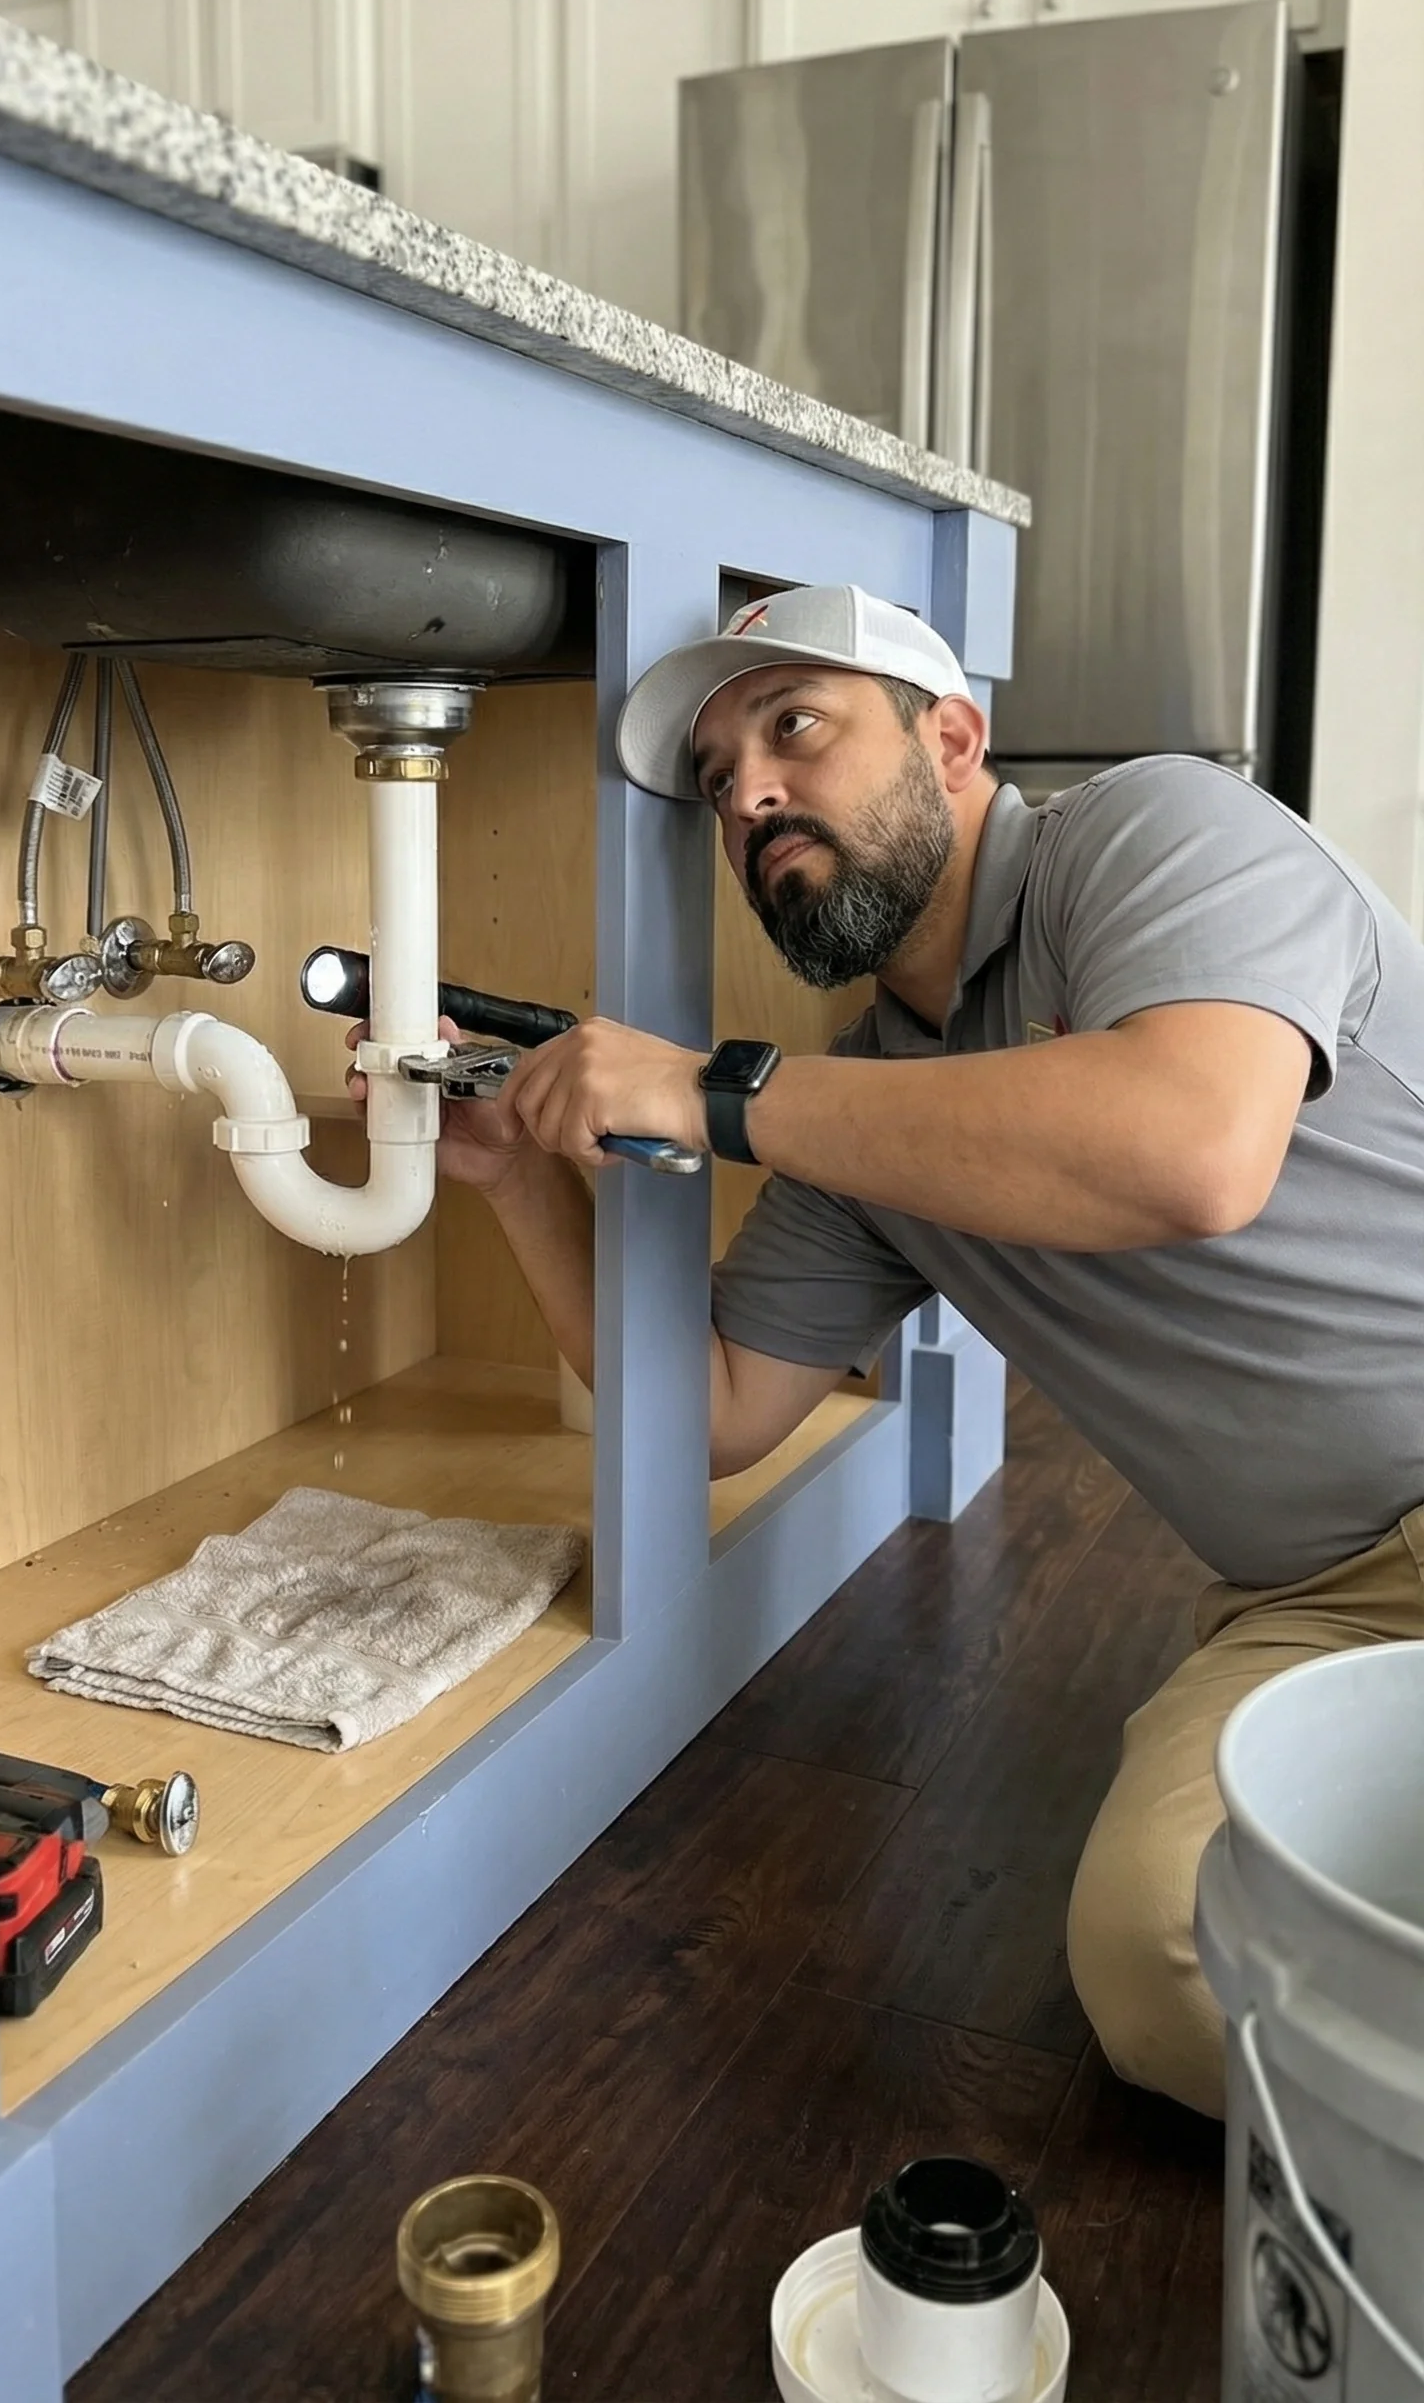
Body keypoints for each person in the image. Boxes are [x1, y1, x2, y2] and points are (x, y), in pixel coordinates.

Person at [353, 584, 1424, 2118]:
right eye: (720, 781)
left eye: (794, 726)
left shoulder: (1158, 831)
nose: (752, 795)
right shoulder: (861, 1110)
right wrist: (516, 1177)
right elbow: (710, 1415)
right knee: (1162, 1956)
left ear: (957, 738)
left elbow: (1192, 1146)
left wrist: (714, 1097)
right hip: (1310, 1600)